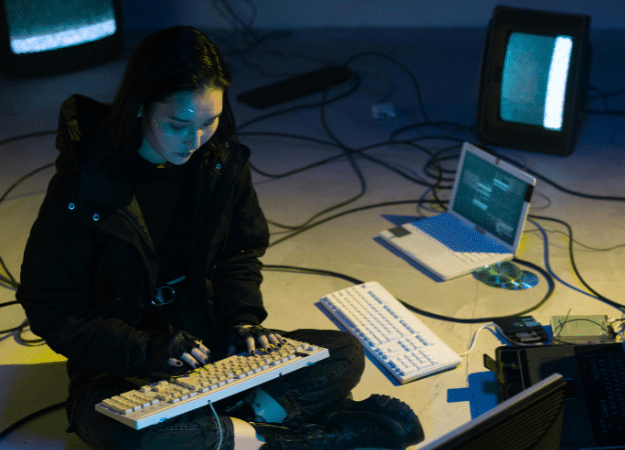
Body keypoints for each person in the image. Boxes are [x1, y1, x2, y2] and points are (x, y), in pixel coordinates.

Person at [16, 26, 424, 450]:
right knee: (132, 437)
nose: (194, 141)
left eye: (209, 122)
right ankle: (302, 436)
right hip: (121, 368)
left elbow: (240, 253)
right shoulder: (85, 187)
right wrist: (144, 350)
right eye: (177, 124)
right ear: (138, 107)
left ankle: (240, 435)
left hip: (211, 348)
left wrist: (241, 320)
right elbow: (56, 310)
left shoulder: (219, 164)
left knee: (342, 352)